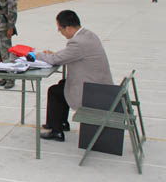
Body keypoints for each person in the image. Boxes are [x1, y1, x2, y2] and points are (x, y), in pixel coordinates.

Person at [36, 10, 113, 141]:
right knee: (63, 85)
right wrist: (54, 55)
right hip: (100, 86)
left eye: (60, 29)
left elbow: (55, 60)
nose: (60, 32)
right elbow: (69, 54)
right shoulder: (88, 35)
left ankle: (56, 131)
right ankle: (61, 122)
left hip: (93, 92)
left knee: (54, 91)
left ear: (69, 28)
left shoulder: (78, 42)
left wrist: (38, 55)